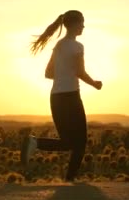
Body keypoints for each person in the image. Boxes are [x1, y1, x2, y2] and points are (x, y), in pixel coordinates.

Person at [21, 10, 102, 182]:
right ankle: (70, 180)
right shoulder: (77, 46)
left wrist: (64, 71)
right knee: (79, 143)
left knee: (68, 142)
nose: (83, 26)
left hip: (56, 97)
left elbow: (48, 73)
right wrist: (95, 83)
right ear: (73, 24)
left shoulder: (58, 45)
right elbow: (80, 72)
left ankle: (35, 143)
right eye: (82, 22)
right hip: (71, 97)